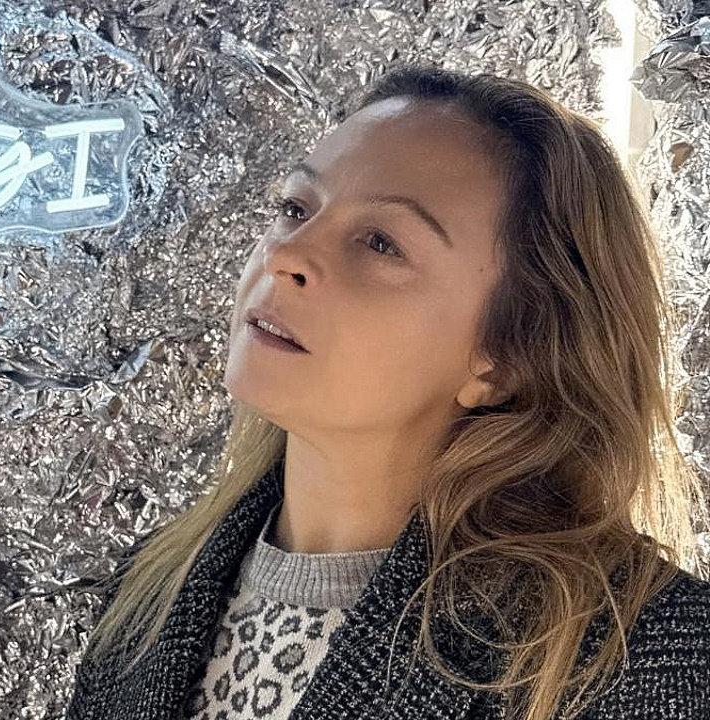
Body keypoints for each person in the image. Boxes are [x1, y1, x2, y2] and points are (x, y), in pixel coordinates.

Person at [65, 63, 710, 720]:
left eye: (380, 243)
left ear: (507, 357)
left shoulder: (650, 654)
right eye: (296, 208)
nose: (288, 254)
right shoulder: (144, 595)